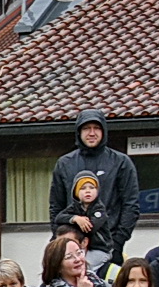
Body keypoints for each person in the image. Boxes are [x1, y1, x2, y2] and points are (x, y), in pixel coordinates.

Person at [47, 110, 139, 264]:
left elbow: (131, 205)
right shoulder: (65, 163)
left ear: (103, 131)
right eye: (86, 128)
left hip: (106, 247)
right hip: (69, 245)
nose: (91, 133)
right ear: (78, 132)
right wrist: (61, 237)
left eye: (96, 128)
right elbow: (56, 205)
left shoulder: (121, 162)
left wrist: (117, 242)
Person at [53, 173, 112, 272]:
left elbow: (90, 228)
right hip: (80, 249)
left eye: (92, 187)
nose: (88, 191)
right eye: (83, 188)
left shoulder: (99, 209)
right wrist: (75, 218)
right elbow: (59, 218)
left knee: (84, 266)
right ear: (76, 192)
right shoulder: (74, 207)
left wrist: (77, 225)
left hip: (100, 249)